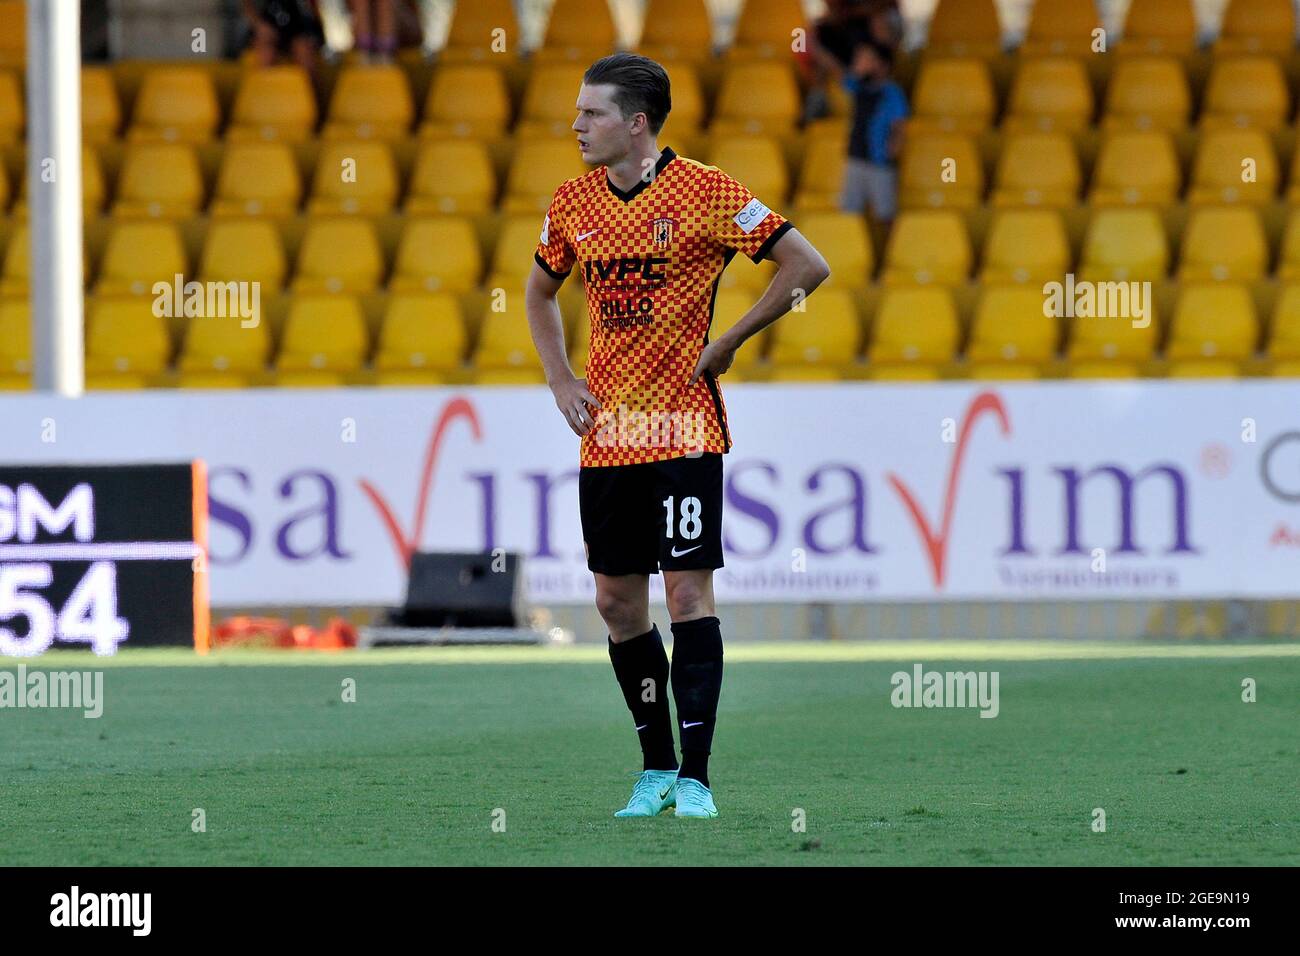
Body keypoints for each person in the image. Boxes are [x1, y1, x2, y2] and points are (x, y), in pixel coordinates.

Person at [525, 53, 830, 820]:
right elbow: (538, 290)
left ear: (635, 123)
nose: (576, 126)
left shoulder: (706, 191)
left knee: (688, 592)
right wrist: (561, 378)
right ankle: (654, 767)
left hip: (684, 429)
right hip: (608, 437)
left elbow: (806, 264)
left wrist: (729, 340)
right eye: (577, 112)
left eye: (591, 113)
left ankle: (696, 776)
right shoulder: (571, 203)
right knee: (616, 606)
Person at [839, 38, 908, 225]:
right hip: (855, 158)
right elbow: (842, 77)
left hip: (879, 161)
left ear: (882, 64)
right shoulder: (858, 87)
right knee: (848, 214)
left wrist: (893, 148)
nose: (861, 63)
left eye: (867, 59)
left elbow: (899, 125)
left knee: (885, 214)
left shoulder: (891, 93)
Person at [243, 0, 324, 77]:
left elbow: (316, 9)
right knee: (266, 56)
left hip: (297, 26)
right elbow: (246, 4)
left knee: (306, 59)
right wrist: (257, 24)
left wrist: (314, 32)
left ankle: (307, 90)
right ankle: (265, 89)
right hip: (268, 24)